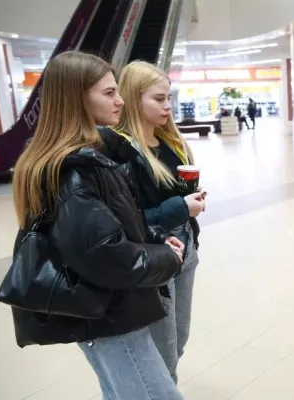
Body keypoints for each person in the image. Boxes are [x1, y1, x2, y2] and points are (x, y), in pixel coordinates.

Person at [11, 51, 185, 400]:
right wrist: (166, 258)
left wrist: (152, 236)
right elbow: (106, 255)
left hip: (103, 310)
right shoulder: (73, 171)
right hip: (111, 315)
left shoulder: (86, 158)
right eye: (108, 93)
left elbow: (102, 230)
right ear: (77, 98)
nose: (120, 100)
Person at [98, 60, 205, 384]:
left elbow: (177, 196)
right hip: (156, 255)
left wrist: (192, 202)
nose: (167, 106)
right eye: (158, 99)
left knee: (180, 337)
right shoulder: (122, 153)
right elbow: (129, 222)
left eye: (169, 98)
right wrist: (179, 208)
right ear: (133, 97)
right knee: (163, 350)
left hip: (186, 250)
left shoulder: (171, 143)